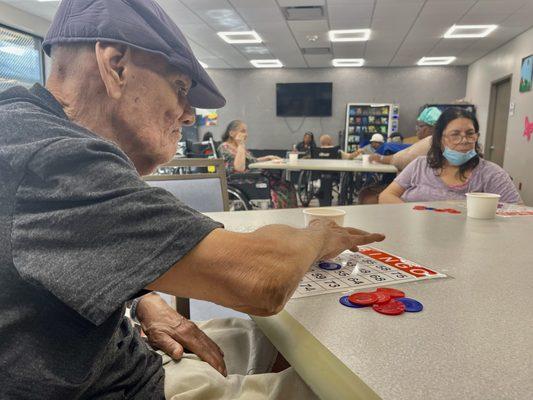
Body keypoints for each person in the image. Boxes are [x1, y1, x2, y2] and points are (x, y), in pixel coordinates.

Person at [0, 1, 386, 399]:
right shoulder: (54, 157)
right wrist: (320, 233)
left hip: (120, 359)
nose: (188, 115)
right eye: (180, 89)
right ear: (115, 66)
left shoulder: (22, 127)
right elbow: (264, 279)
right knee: (344, 382)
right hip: (121, 389)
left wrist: (142, 300)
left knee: (282, 341)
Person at [379, 107, 521, 204]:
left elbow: (518, 213)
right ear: (440, 139)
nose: (464, 140)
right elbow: (386, 196)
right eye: (455, 134)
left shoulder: (491, 174)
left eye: (470, 134)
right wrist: (414, 214)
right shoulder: (420, 165)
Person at [218, 120, 298, 208]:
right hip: (242, 180)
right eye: (243, 131)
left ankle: (287, 214)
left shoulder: (237, 147)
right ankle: (282, 214)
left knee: (288, 185)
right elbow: (239, 168)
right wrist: (241, 144)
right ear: (232, 133)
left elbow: (250, 161)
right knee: (283, 188)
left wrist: (267, 157)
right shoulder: (225, 147)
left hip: (253, 176)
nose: (246, 134)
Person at [369, 107, 442, 169]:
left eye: (420, 126)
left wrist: (380, 158)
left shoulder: (430, 143)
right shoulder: (435, 143)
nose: (416, 129)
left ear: (428, 128)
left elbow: (402, 159)